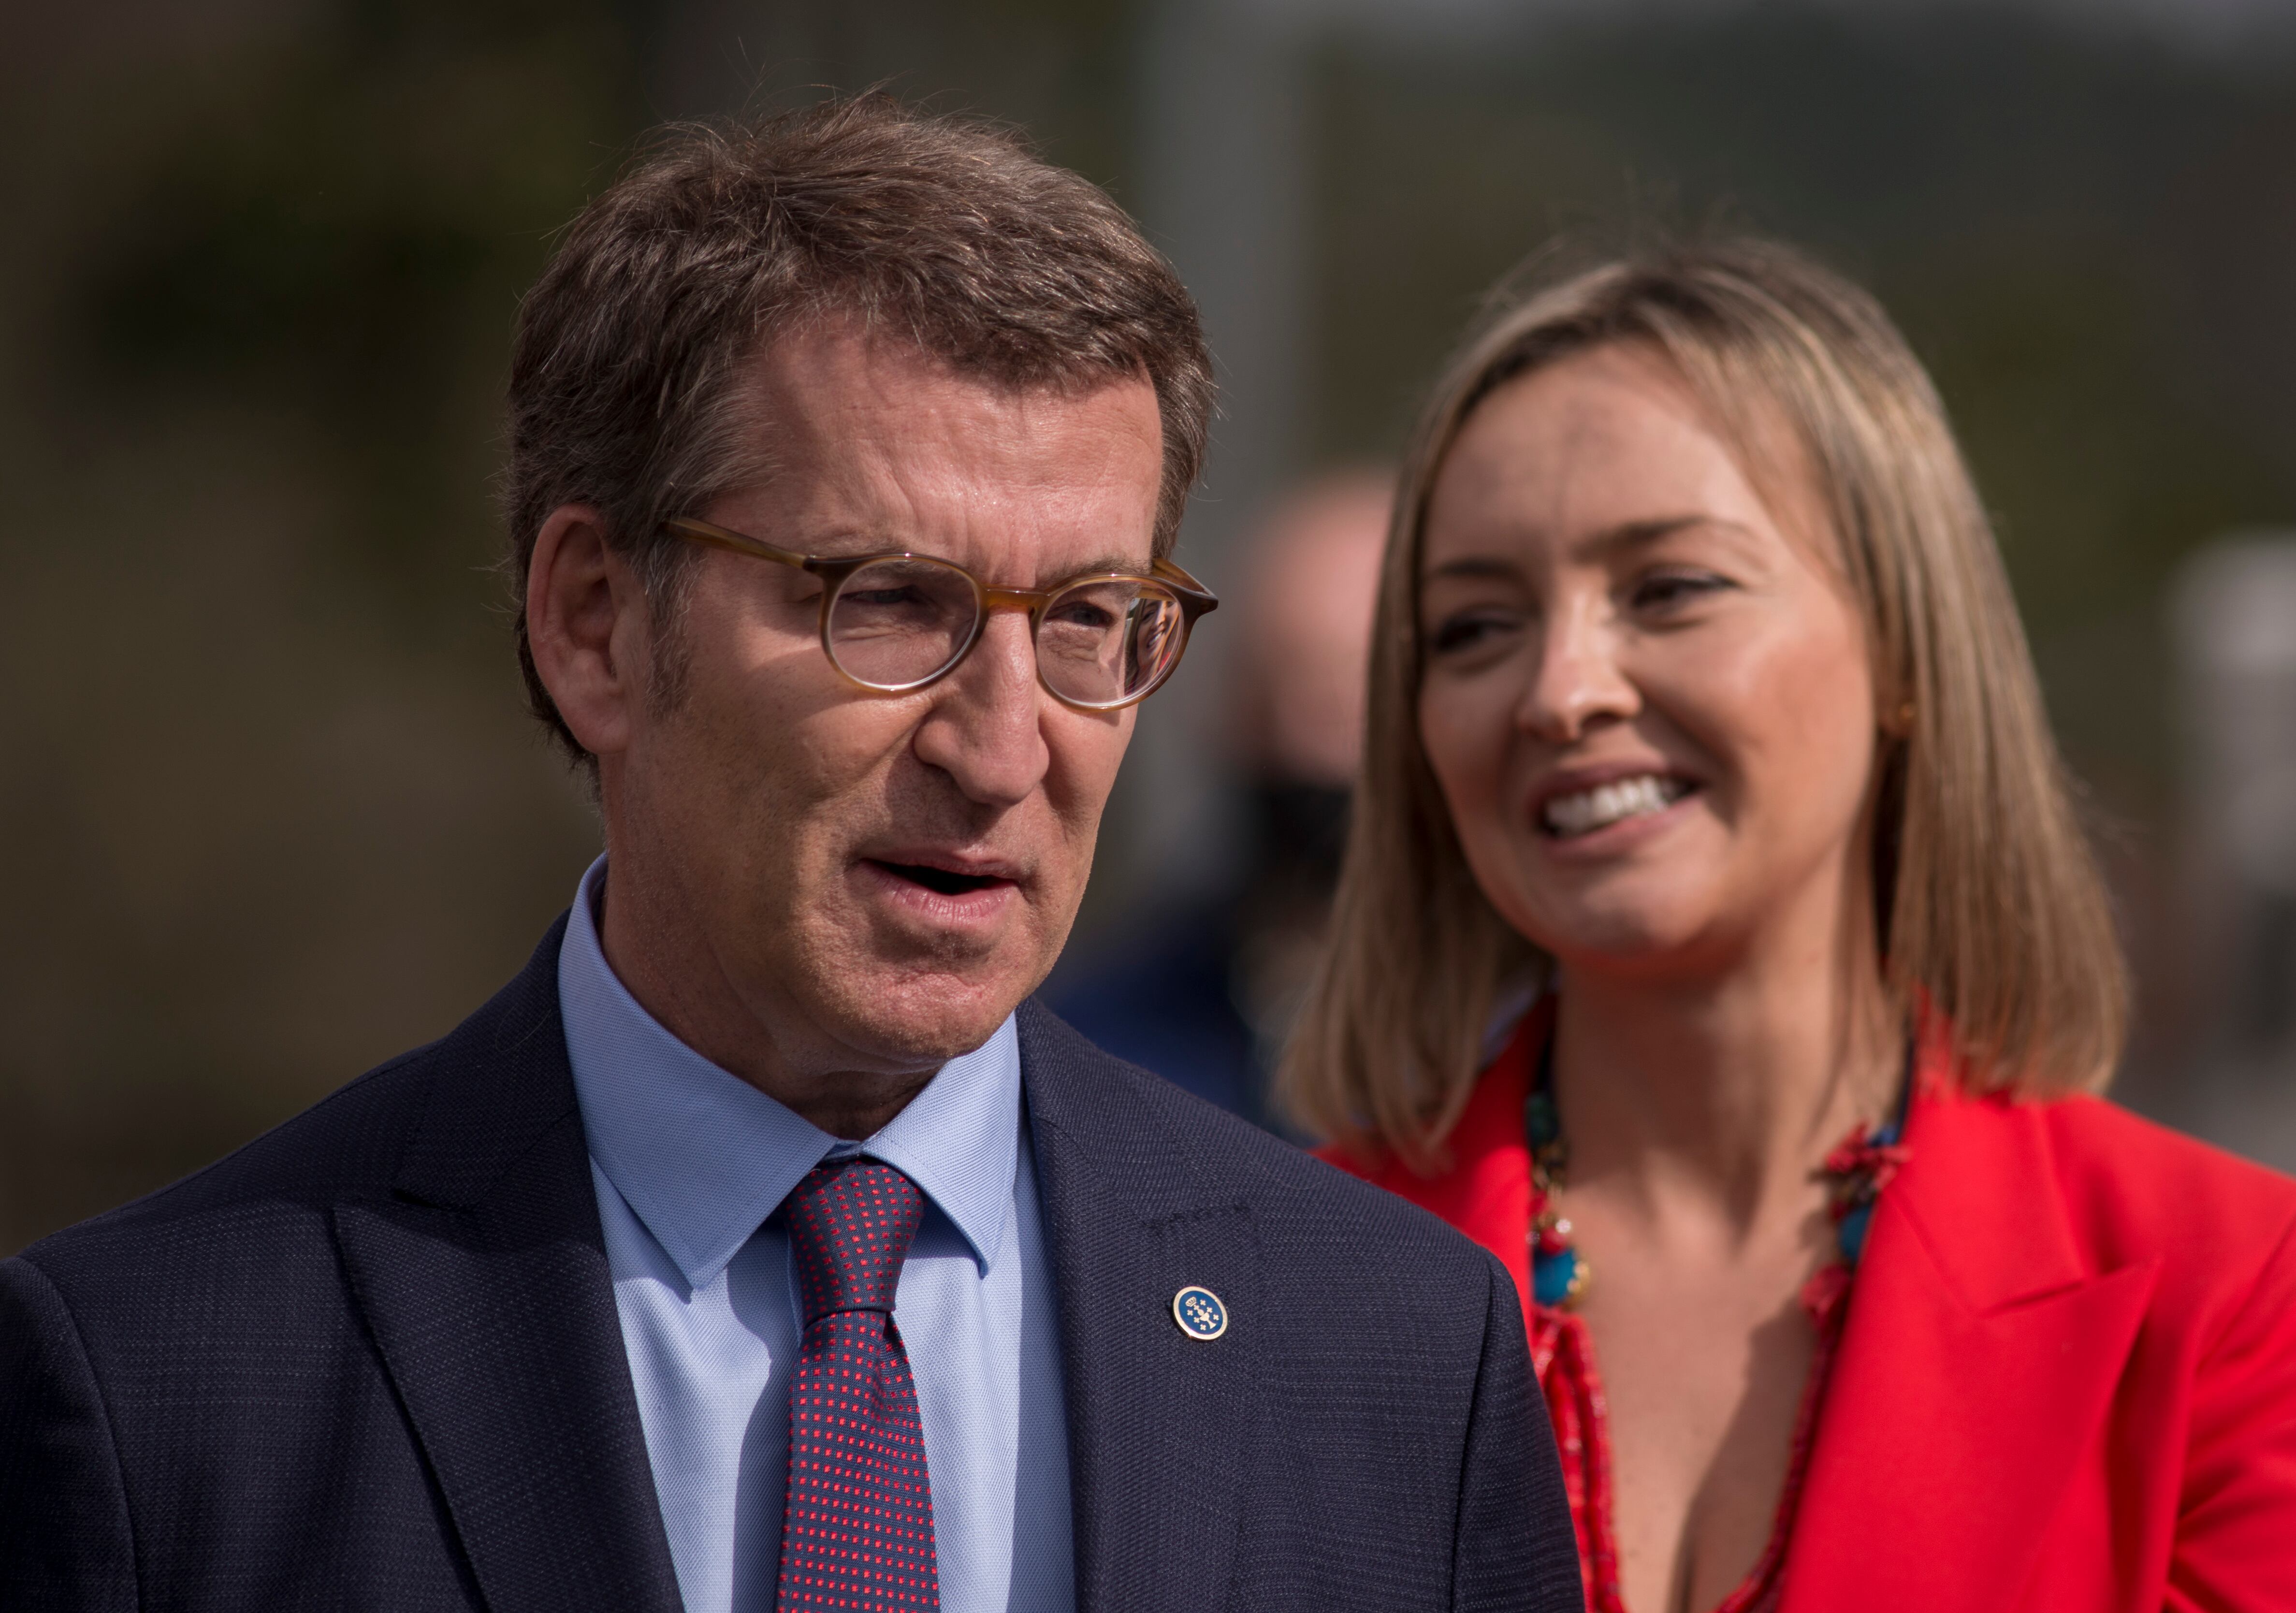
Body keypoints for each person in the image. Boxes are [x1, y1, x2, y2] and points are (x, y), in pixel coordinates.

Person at [0, 98, 1581, 1613]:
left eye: (1093, 619)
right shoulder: (158, 1385)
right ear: (594, 623)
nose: (1006, 743)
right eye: (889, 600)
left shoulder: (1396, 1354)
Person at [1288, 240, 2296, 1612]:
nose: (1560, 690)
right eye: (1473, 628)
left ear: (1907, 652)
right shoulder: (1263, 1293)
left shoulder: (2233, 1293)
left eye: (1671, 588)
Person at [1048, 470, 1390, 1124]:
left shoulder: (1546, 1033)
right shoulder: (1107, 1040)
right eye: (1288, 685)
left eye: (1359, 694)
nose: (1312, 743)